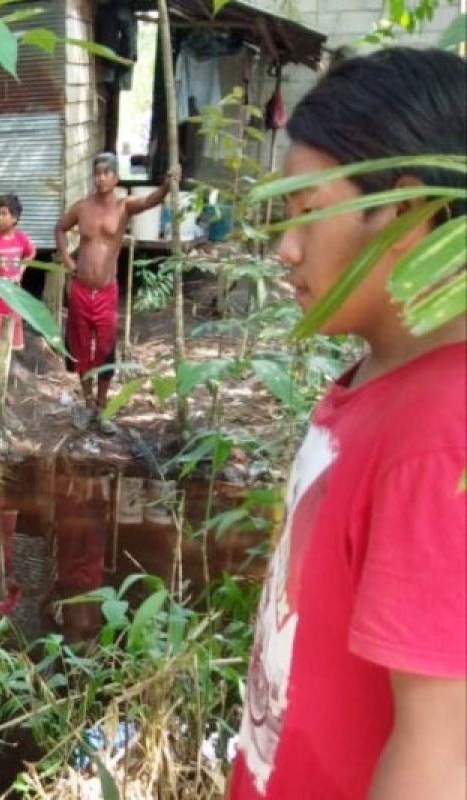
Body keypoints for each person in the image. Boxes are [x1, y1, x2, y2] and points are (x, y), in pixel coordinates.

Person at [228, 47, 465, 800]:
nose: (284, 248)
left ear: (405, 211)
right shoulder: (378, 381)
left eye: (308, 213)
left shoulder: (437, 436)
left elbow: (436, 759)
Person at [54, 153, 178, 434]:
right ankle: (87, 405)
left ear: (116, 177)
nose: (101, 178)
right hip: (80, 290)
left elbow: (151, 201)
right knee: (80, 348)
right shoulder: (82, 208)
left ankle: (102, 407)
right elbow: (60, 229)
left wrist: (168, 184)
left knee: (106, 349)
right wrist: (67, 260)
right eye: (97, 173)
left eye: (107, 173)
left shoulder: (124, 207)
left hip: (106, 291)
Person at [0, 193, 35, 389]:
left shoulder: (21, 239)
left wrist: (22, 269)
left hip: (13, 302)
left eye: (4, 213)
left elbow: (31, 252)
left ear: (15, 218)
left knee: (7, 345)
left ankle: (3, 386)